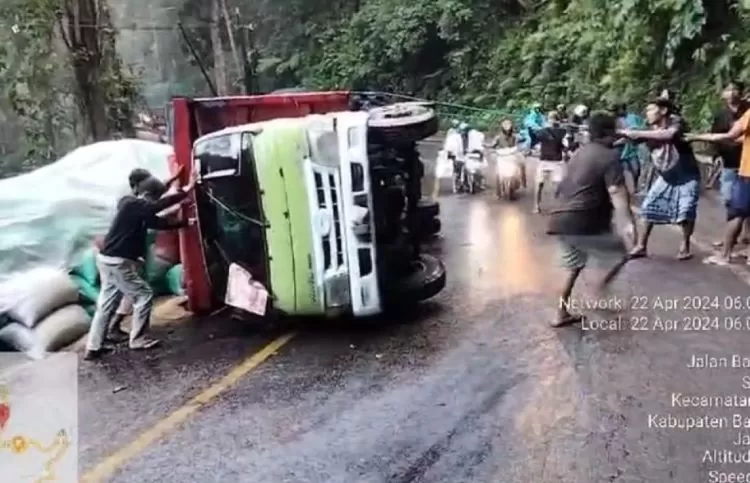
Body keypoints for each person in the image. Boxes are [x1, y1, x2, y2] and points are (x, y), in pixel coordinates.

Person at [84, 170, 197, 360]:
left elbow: (159, 222)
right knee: (144, 295)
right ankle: (138, 339)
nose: (150, 201)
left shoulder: (137, 208)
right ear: (144, 194)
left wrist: (185, 221)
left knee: (106, 304)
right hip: (118, 262)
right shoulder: (130, 203)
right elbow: (157, 205)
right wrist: (186, 190)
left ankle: (93, 348)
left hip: (108, 260)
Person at [546, 112, 637, 327]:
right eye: (616, 128)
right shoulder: (609, 156)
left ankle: (560, 313)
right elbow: (616, 191)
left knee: (572, 267)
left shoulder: (580, 152)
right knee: (622, 252)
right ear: (608, 132)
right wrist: (628, 223)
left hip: (560, 218)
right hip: (582, 220)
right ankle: (596, 292)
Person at [105, 171, 185, 343]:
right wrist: (183, 193)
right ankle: (132, 336)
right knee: (139, 293)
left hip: (133, 256)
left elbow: (156, 204)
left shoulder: (137, 203)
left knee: (128, 293)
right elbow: (157, 209)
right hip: (124, 256)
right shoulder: (132, 204)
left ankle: (112, 329)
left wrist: (172, 181)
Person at [619, 98, 700, 260]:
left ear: (663, 111)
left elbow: (668, 134)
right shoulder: (648, 128)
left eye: (651, 109)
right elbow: (629, 138)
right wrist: (619, 135)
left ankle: (685, 246)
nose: (647, 113)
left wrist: (636, 133)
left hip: (686, 174)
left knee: (686, 211)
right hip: (666, 175)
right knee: (648, 209)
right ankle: (641, 246)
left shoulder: (675, 122)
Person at [686, 90, 750, 265]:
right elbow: (739, 140)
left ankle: (725, 255)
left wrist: (697, 137)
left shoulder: (748, 114)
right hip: (736, 167)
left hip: (748, 172)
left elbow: (731, 136)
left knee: (736, 212)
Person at [709, 81, 750, 249]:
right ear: (723, 95)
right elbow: (716, 136)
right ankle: (730, 235)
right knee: (728, 199)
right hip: (730, 162)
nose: (732, 93)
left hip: (746, 162)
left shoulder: (747, 110)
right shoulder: (721, 114)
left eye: (735, 89)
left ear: (741, 93)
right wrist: (716, 155)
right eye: (728, 89)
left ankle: (744, 235)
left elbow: (731, 135)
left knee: (744, 203)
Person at [532, 111, 568, 213]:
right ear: (548, 120)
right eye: (550, 118)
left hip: (556, 161)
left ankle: (557, 206)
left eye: (554, 118)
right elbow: (534, 137)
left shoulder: (562, 132)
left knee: (557, 186)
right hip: (544, 161)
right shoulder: (543, 131)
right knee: (539, 184)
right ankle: (536, 206)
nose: (552, 120)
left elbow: (566, 144)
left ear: (557, 120)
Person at [612, 103, 644, 192]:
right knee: (623, 171)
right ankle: (626, 188)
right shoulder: (614, 120)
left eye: (619, 110)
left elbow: (642, 128)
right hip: (620, 150)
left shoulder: (633, 117)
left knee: (636, 169)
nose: (618, 112)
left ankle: (634, 186)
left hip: (632, 149)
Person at [490, 118, 527, 188]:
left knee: (522, 162)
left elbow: (519, 141)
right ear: (502, 128)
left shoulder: (515, 136)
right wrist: (489, 147)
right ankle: (498, 190)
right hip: (502, 156)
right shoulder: (498, 137)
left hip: (513, 155)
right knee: (497, 171)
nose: (507, 129)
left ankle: (523, 181)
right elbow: (492, 145)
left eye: (508, 127)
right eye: (505, 126)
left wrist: (521, 146)